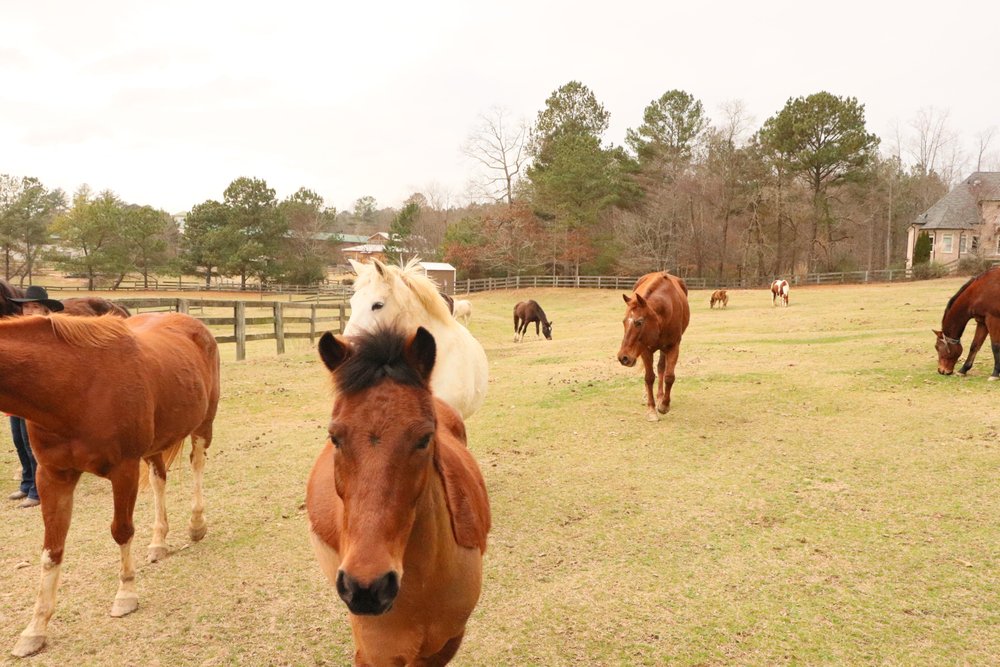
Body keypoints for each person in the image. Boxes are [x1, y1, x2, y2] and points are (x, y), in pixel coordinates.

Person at [6, 285, 63, 508]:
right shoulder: (18, 332)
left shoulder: (51, 333)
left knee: (33, 445)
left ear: (46, 310)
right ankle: (26, 482)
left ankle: (37, 491)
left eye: (35, 307)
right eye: (26, 307)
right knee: (19, 441)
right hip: (19, 396)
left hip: (37, 398)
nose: (29, 312)